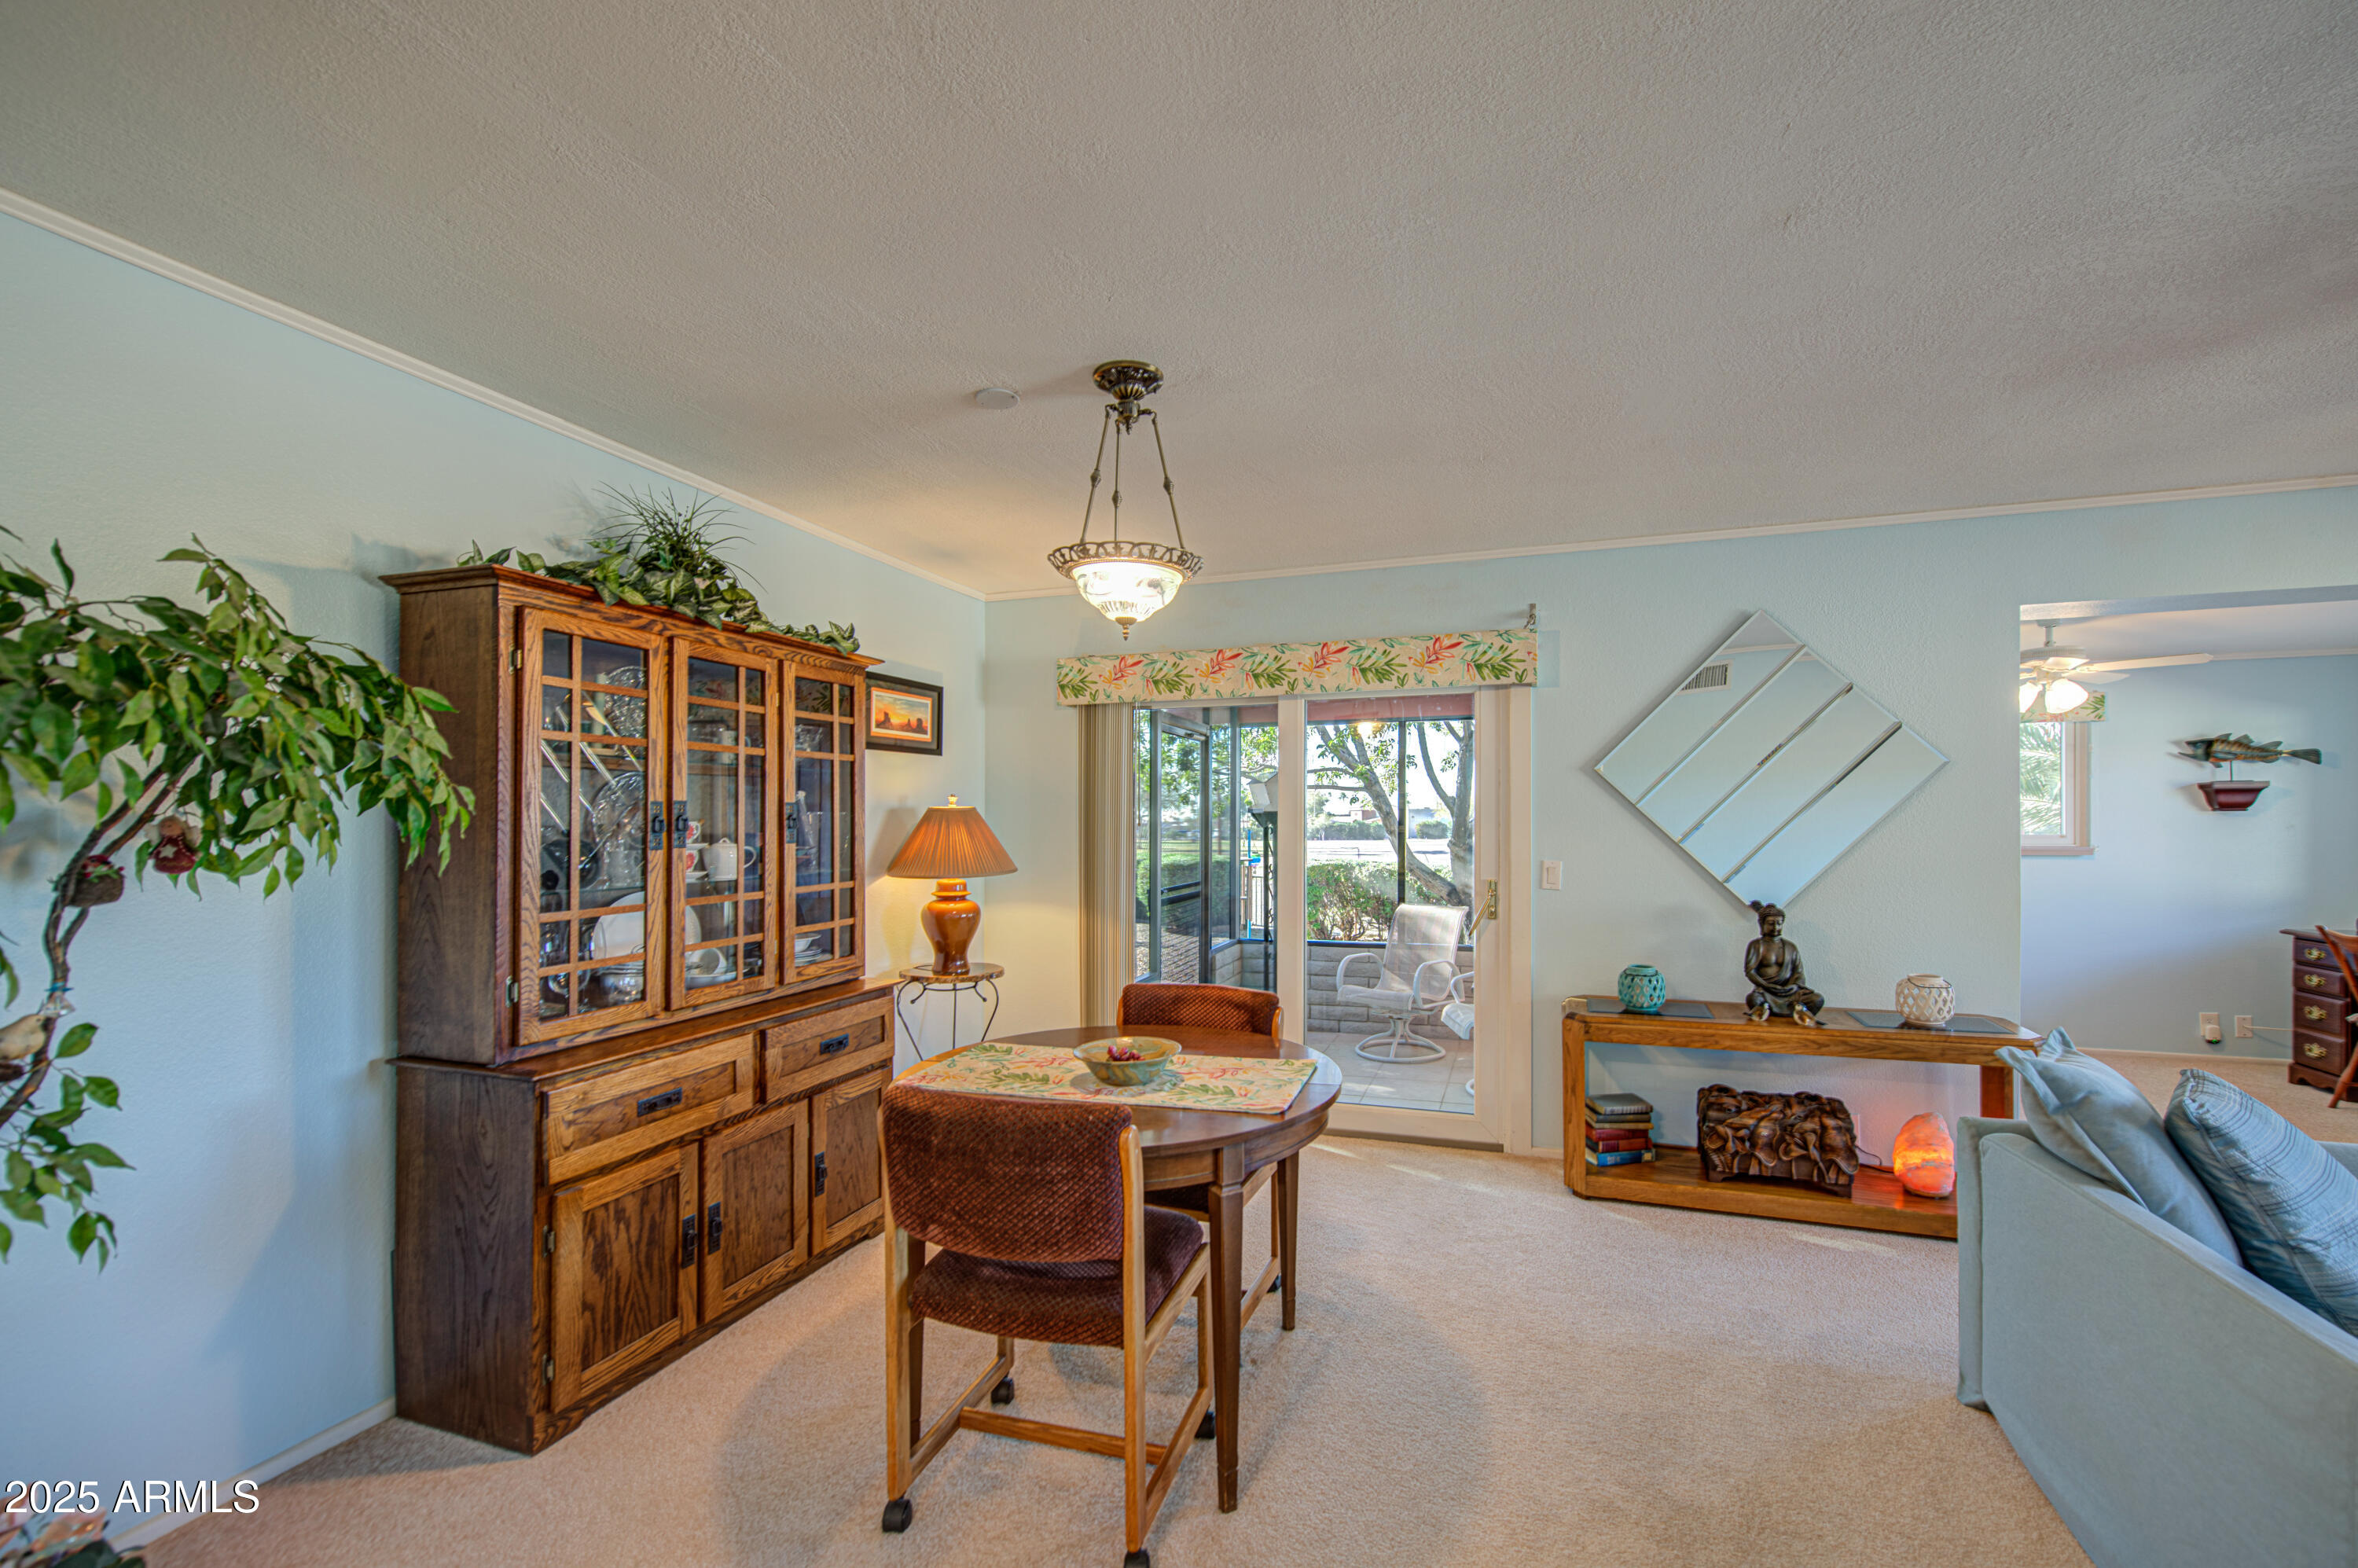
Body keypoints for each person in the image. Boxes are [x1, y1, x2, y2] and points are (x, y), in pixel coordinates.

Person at [1742, 902, 1823, 1025]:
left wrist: (1794, 986)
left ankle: (1798, 1014)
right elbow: (1750, 971)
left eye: (1779, 923)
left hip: (1790, 993)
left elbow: (1798, 973)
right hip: (1766, 991)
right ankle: (1766, 1010)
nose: (1775, 927)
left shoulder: (1790, 947)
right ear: (1762, 924)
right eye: (1771, 924)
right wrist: (1766, 985)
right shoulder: (1757, 945)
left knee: (1817, 999)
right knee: (1753, 999)